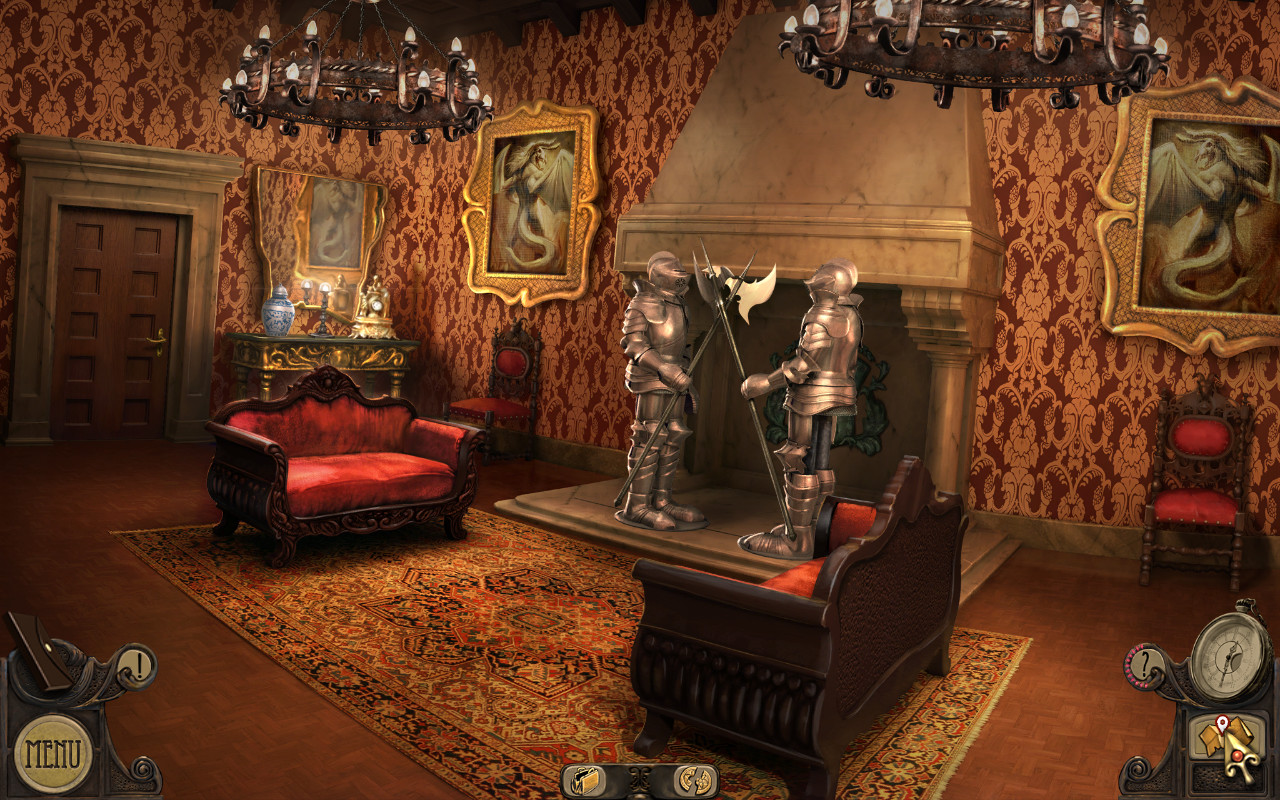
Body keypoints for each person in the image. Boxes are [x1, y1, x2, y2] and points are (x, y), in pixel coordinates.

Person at [739, 259, 863, 560]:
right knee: (820, 460)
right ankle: (813, 531)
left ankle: (796, 541)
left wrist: (764, 382)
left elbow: (802, 365)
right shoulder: (852, 314)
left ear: (826, 287)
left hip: (810, 394)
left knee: (797, 457)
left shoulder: (821, 314)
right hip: (840, 391)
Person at [1143, 128, 1279, 311]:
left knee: (1182, 263)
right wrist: (1276, 163)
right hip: (1228, 229)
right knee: (1238, 264)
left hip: (1207, 227)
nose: (1200, 156)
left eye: (1203, 151)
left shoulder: (1210, 175)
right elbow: (1268, 192)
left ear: (1211, 147)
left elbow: (1215, 192)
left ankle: (1188, 305)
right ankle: (1244, 293)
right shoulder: (1241, 178)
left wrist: (1198, 187)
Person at [617, 252, 706, 531]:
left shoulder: (680, 303)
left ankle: (662, 500)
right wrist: (663, 368)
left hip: (677, 377)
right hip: (651, 376)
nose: (681, 276)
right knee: (649, 436)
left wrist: (685, 372)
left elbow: (682, 345)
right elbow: (634, 344)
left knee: (673, 435)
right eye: (675, 271)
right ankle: (637, 506)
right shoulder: (642, 302)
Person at [490, 135, 574, 274]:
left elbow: (505, 185)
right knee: (543, 237)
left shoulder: (520, 172)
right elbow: (531, 187)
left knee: (517, 234)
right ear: (537, 153)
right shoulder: (536, 172)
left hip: (522, 211)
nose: (544, 162)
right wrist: (544, 179)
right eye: (542, 158)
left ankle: (510, 254)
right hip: (531, 211)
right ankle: (528, 258)